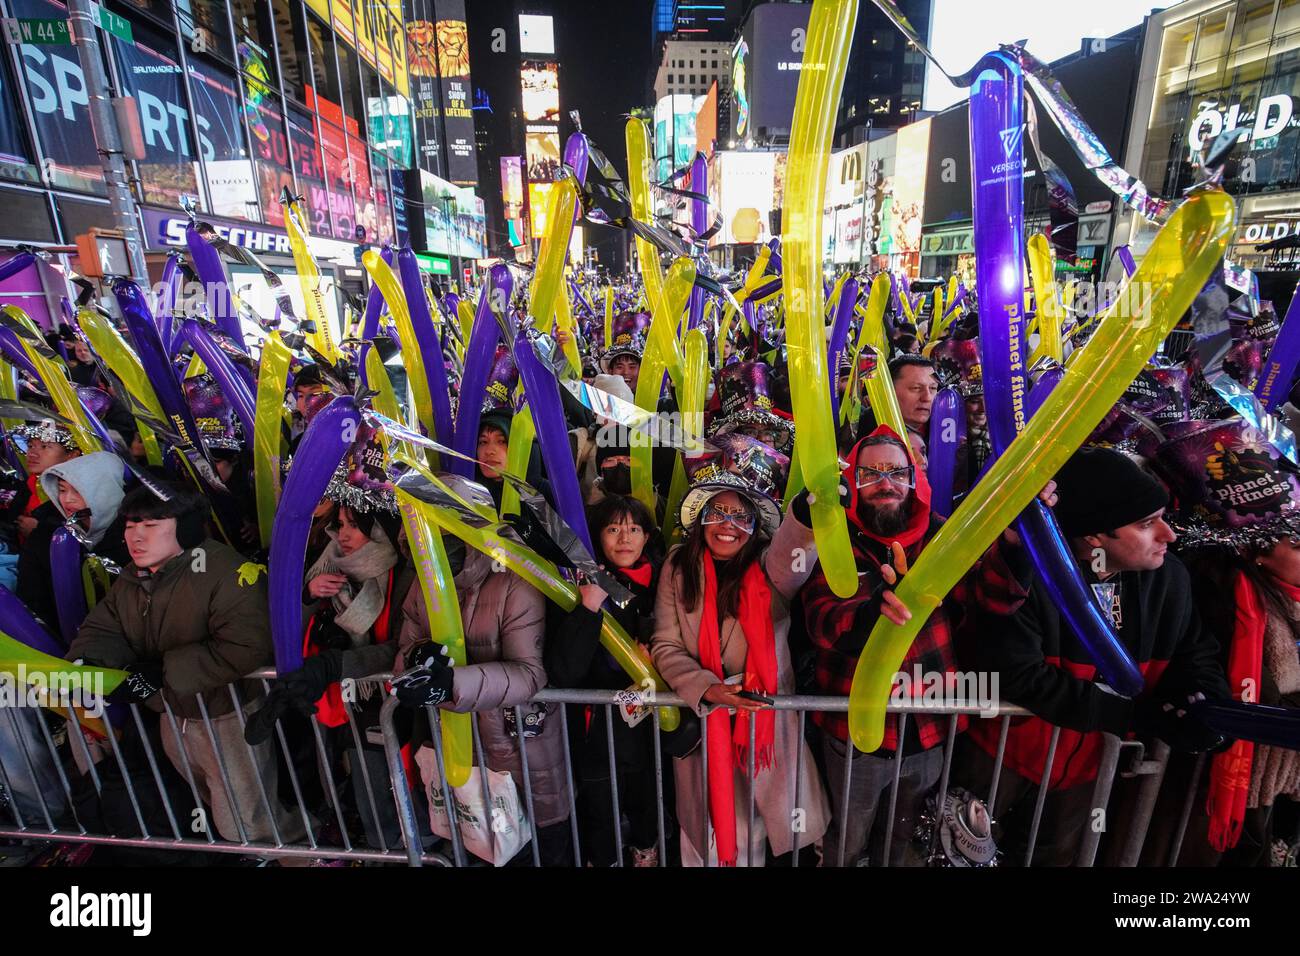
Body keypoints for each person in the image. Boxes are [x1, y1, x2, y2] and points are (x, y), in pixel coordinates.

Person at [958, 447, 1230, 865]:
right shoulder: (1027, 574)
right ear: (1094, 536)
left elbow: (1196, 654)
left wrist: (1208, 707)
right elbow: (1016, 674)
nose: (1169, 535)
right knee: (959, 855)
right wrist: (1135, 716)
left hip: (1086, 772)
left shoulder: (1169, 577)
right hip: (999, 758)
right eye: (1146, 523)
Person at [802, 426, 1040, 866]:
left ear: (913, 479)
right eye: (870, 473)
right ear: (852, 481)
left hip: (927, 732)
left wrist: (1014, 541)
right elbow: (821, 622)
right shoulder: (833, 542)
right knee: (846, 843)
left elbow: (994, 595)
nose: (884, 483)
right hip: (854, 737)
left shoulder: (940, 536)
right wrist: (873, 611)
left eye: (895, 472)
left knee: (904, 844)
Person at [66, 483, 303, 845]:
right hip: (173, 715)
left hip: (227, 716)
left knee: (247, 819)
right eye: (130, 526)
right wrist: (86, 661)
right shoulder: (134, 577)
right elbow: (105, 626)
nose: (136, 538)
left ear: (186, 528)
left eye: (151, 526)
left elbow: (247, 645)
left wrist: (162, 672)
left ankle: (303, 851)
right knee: (213, 803)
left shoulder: (225, 571)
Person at [651, 457, 830, 866]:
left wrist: (805, 513)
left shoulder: (767, 570)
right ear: (702, 519)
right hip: (707, 723)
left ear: (754, 527)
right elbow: (664, 644)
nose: (729, 524)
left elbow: (791, 555)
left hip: (767, 729)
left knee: (779, 838)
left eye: (741, 516)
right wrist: (704, 687)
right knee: (715, 834)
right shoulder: (678, 568)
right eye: (719, 512)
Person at [390, 536, 573, 866]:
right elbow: (404, 650)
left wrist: (452, 684)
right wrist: (417, 656)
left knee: (542, 849)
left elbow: (529, 674)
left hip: (521, 749)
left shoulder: (513, 576)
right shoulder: (423, 578)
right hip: (459, 751)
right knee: (478, 850)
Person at [545, 495, 665, 866]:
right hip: (599, 735)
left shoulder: (661, 582)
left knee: (649, 807)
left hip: (650, 734)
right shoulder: (580, 585)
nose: (624, 538)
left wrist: (653, 663)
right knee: (601, 817)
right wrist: (589, 606)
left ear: (647, 537)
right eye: (613, 529)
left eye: (633, 529)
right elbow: (563, 669)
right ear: (599, 536)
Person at [16, 450, 128, 632]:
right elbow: (32, 600)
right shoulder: (46, 536)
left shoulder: (134, 537)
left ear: (105, 492)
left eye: (78, 490)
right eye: (62, 490)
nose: (67, 499)